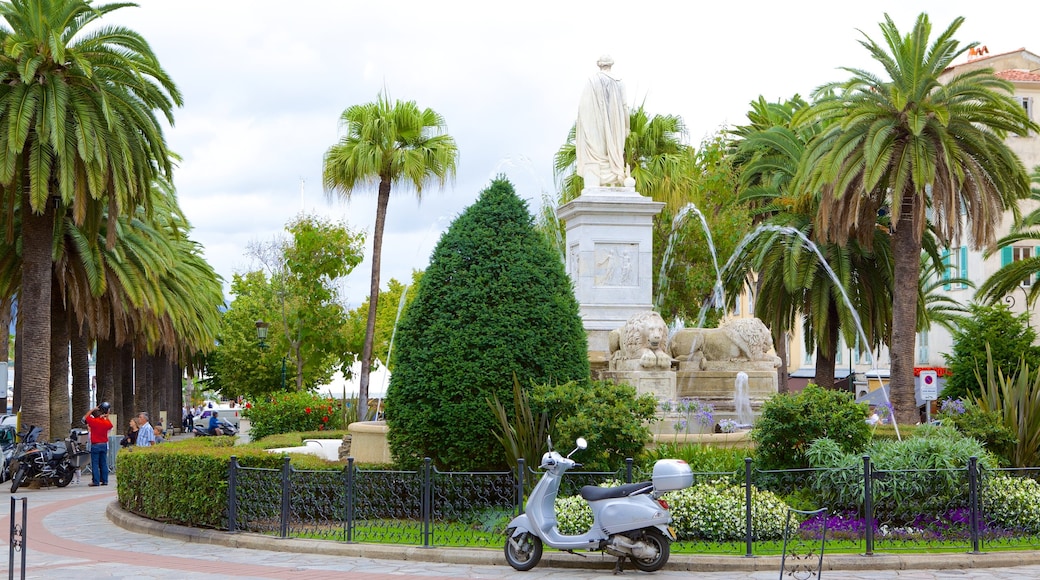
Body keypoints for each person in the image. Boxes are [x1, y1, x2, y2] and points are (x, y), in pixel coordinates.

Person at [576, 55, 631, 188]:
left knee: (598, 151)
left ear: (599, 65)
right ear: (611, 65)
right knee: (614, 150)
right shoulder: (620, 82)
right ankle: (614, 174)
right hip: (615, 125)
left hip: (595, 125)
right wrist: (626, 127)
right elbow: (625, 107)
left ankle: (600, 178)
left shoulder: (591, 81)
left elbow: (583, 108)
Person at [83, 402, 113, 486]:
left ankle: (96, 481)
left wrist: (93, 409)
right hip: (104, 444)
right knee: (103, 463)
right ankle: (105, 480)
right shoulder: (106, 422)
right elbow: (110, 425)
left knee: (95, 464)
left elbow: (86, 417)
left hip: (95, 444)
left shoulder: (94, 422)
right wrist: (107, 417)